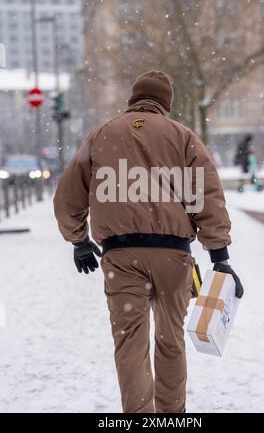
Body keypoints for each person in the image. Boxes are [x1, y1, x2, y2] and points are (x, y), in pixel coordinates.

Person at [53, 70, 243, 413]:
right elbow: (207, 197)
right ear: (165, 103)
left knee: (129, 343)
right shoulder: (183, 137)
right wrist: (220, 256)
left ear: (132, 99)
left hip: (120, 255)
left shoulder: (101, 136)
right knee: (170, 342)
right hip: (173, 257)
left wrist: (78, 240)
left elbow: (68, 197)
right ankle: (171, 416)